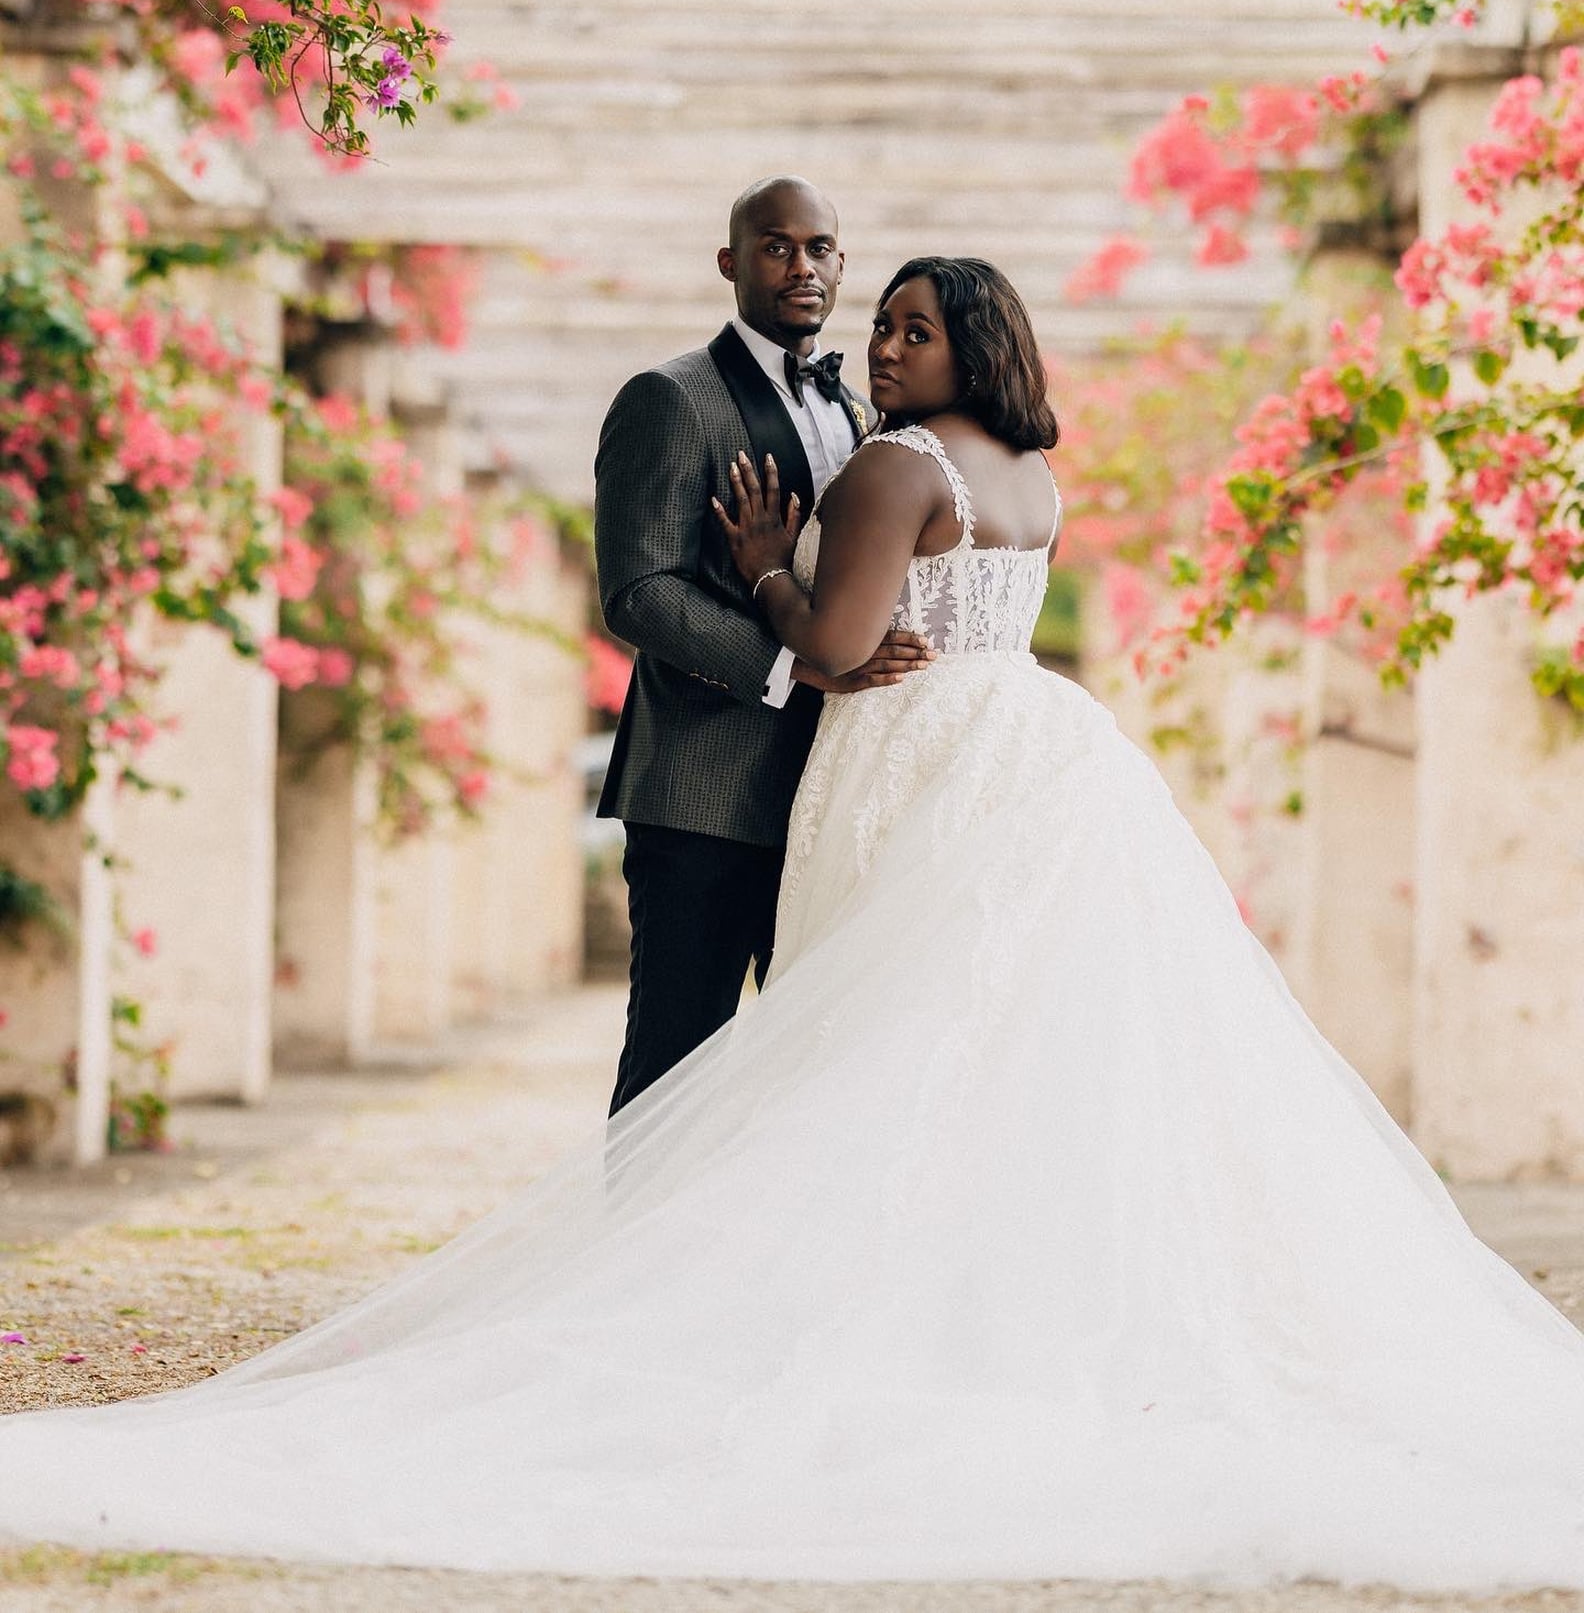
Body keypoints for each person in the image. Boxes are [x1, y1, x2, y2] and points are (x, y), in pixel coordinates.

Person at [3, 259, 1584, 1583]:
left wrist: (768, 568)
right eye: (880, 326)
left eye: (913, 327)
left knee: (880, 1045)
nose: (882, 346)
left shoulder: (897, 468)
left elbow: (834, 650)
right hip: (1029, 744)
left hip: (909, 759)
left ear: (976, 341)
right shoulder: (1034, 473)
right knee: (994, 1053)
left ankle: (840, 1319)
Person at [594, 174, 930, 1113]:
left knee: (814, 1069)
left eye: (819, 248)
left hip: (829, 792)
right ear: (729, 262)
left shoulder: (864, 416)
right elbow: (638, 590)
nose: (801, 266)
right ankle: (644, 1261)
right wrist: (794, 663)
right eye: (776, 246)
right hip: (702, 790)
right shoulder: (669, 398)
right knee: (676, 1062)